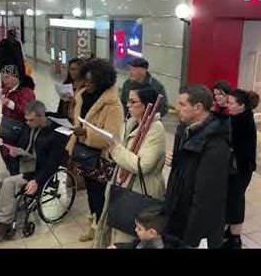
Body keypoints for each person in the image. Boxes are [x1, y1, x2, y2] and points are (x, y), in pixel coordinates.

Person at [94, 86, 166, 248]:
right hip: (122, 185)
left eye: (133, 102)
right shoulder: (132, 123)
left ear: (148, 105)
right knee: (114, 228)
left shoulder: (156, 129)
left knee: (129, 234)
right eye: (128, 101)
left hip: (140, 190)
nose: (128, 105)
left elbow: (142, 165)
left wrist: (116, 149)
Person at [0, 100, 69, 241]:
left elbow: (52, 163)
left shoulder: (57, 134)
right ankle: (0, 214)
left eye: (31, 120)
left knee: (10, 183)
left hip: (39, 171)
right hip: (26, 163)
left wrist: (37, 181)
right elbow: (24, 144)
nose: (28, 123)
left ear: (42, 117)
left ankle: (4, 222)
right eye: (27, 120)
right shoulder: (31, 126)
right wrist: (16, 151)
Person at [164, 84, 230, 248]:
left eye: (182, 104)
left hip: (193, 229)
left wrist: (190, 241)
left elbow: (206, 199)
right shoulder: (184, 130)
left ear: (198, 108)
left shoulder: (215, 144)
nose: (177, 108)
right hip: (177, 215)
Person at [66, 58, 124, 242]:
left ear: (103, 82)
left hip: (100, 155)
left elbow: (111, 136)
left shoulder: (112, 104)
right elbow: (77, 119)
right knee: (90, 189)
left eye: (93, 82)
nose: (88, 85)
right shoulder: (83, 96)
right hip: (84, 150)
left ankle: (98, 226)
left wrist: (86, 133)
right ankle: (94, 216)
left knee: (98, 191)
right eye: (86, 80)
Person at [222, 89, 259, 249]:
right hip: (239, 168)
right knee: (232, 198)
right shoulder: (239, 117)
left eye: (231, 103)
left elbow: (235, 146)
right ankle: (231, 231)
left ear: (242, 106)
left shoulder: (242, 122)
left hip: (241, 169)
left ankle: (235, 238)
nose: (227, 105)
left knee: (236, 200)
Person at [0, 65, 36, 175]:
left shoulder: (27, 92)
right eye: (2, 77)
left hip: (19, 134)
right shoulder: (7, 91)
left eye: (7, 77)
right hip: (7, 132)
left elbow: (27, 111)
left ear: (16, 77)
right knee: (8, 160)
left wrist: (10, 104)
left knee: (16, 164)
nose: (4, 80)